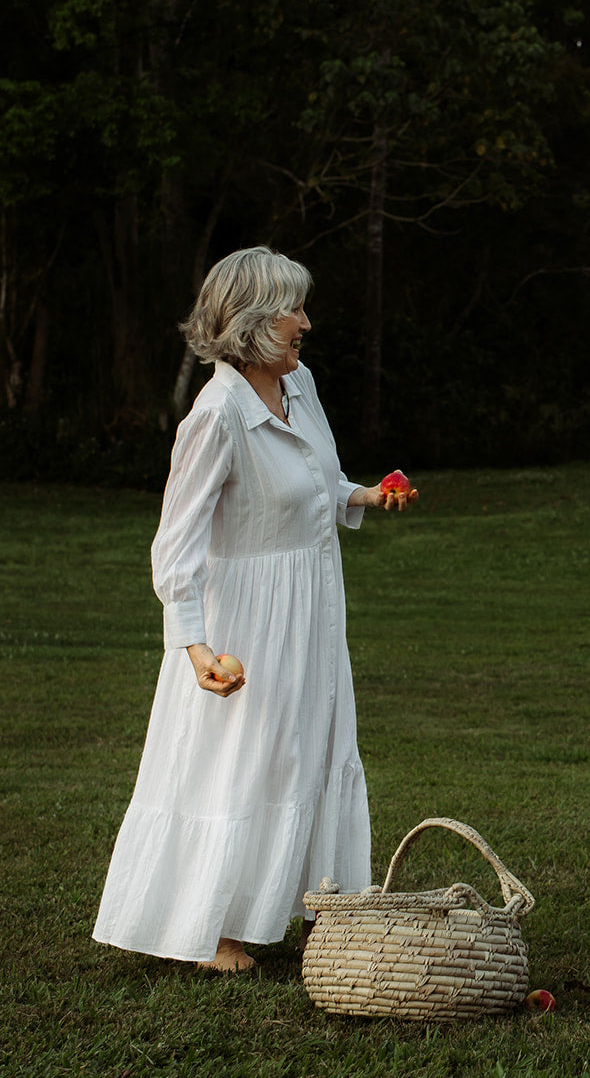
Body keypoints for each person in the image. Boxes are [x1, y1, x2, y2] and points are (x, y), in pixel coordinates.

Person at [93, 246, 417, 973]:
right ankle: (215, 931)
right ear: (250, 322)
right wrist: (195, 647)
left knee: (311, 752)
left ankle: (312, 904)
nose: (306, 322)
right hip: (246, 622)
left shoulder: (298, 385)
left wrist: (365, 495)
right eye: (292, 310)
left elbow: (318, 481)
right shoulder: (216, 416)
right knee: (238, 763)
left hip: (313, 611)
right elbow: (175, 546)